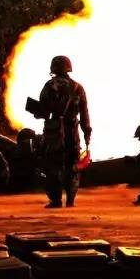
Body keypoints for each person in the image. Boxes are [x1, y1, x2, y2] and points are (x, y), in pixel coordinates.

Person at [36, 55, 92, 208]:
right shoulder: (78, 87)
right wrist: (87, 132)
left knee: (52, 165)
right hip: (72, 130)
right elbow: (84, 113)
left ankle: (55, 200)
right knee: (72, 165)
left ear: (53, 68)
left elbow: (42, 109)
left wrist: (37, 112)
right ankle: (71, 200)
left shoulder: (49, 85)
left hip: (53, 131)